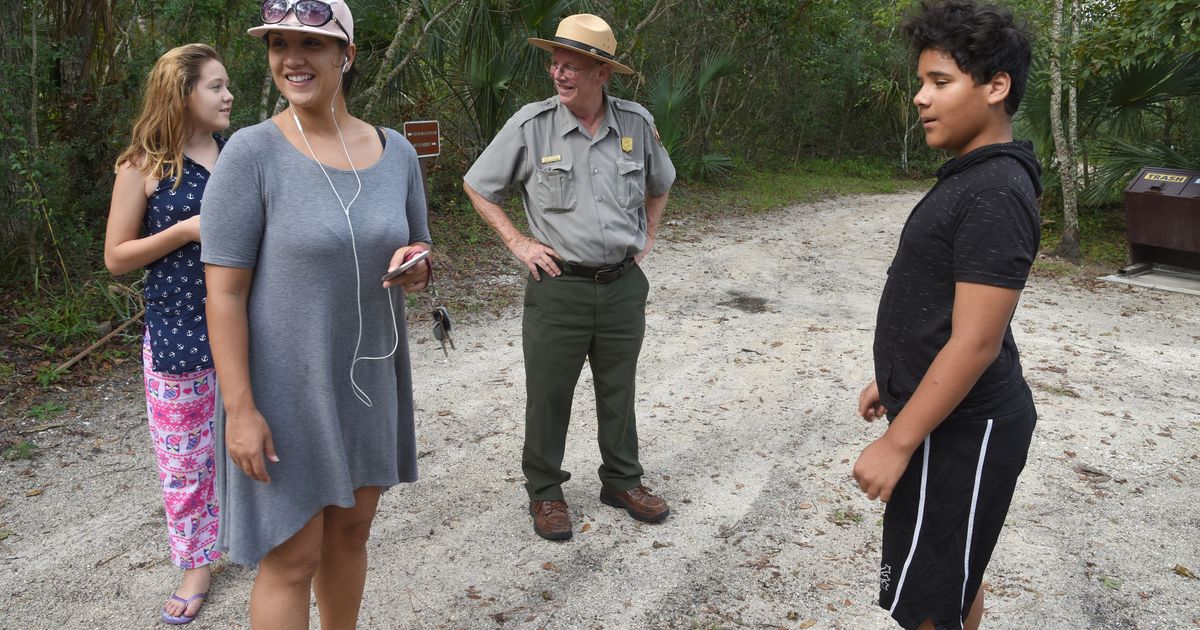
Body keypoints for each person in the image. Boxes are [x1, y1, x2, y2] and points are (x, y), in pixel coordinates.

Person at [199, 1, 431, 627]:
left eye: (311, 45)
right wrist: (241, 410)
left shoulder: (397, 151)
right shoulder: (250, 155)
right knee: (291, 559)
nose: (291, 59)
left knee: (351, 534)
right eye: (278, 45)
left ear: (346, 55)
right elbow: (223, 293)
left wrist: (418, 262)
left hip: (367, 378)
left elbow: (417, 245)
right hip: (282, 391)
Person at [851, 1, 1040, 628]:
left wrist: (899, 442)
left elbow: (978, 342)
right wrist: (898, 378)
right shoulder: (972, 177)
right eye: (921, 82)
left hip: (968, 430)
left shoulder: (995, 190)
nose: (920, 99)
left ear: (995, 87)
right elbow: (940, 308)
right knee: (951, 575)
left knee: (929, 598)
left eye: (940, 82)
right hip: (950, 416)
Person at [463, 13, 676, 541]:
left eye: (573, 66)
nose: (560, 75)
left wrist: (647, 236)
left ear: (602, 73)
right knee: (549, 394)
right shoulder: (531, 126)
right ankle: (545, 491)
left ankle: (622, 480)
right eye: (556, 64)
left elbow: (661, 182)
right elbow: (478, 185)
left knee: (617, 389)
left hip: (623, 285)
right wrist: (518, 242)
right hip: (558, 287)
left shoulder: (635, 123)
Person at [104, 43, 233, 625]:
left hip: (249, 328)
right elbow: (117, 257)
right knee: (187, 463)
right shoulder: (141, 166)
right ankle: (197, 566)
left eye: (227, 85)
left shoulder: (241, 155)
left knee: (252, 443)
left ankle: (258, 535)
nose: (228, 95)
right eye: (216, 86)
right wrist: (185, 230)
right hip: (179, 334)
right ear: (182, 93)